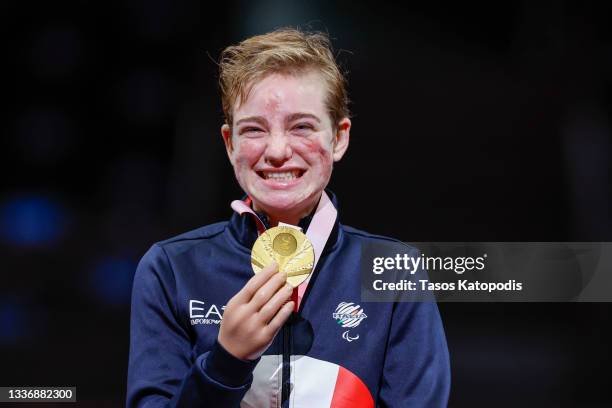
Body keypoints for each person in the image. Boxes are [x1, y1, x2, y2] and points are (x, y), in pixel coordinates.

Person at [127, 28, 450, 407]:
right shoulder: (172, 270)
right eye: (254, 129)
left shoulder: (394, 272)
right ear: (230, 144)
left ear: (339, 138)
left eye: (301, 126)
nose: (277, 150)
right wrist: (225, 362)